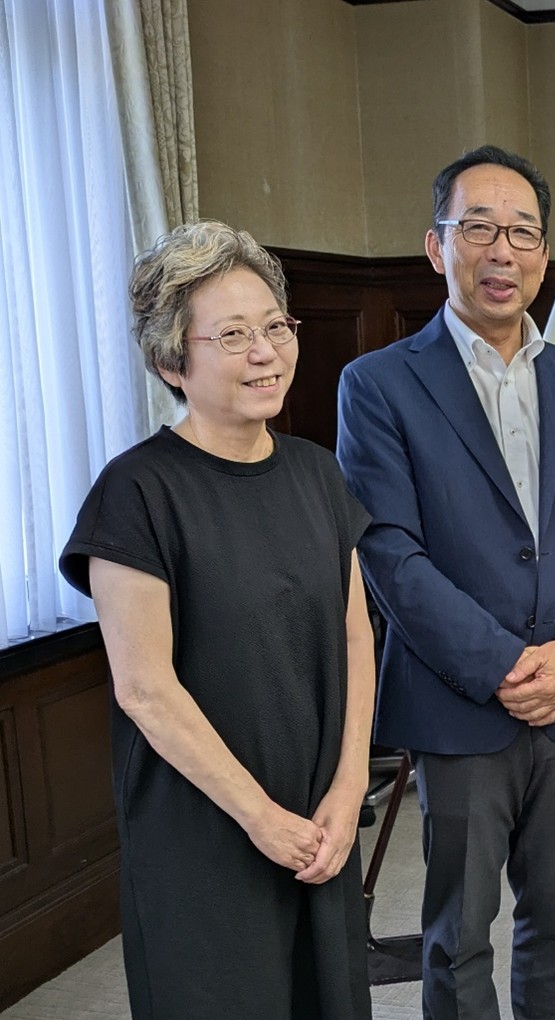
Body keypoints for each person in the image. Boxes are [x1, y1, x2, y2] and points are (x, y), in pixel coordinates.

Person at [336, 144, 555, 1020]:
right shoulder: (379, 384)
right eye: (479, 228)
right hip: (459, 700)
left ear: (545, 254)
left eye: (523, 232)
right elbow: (389, 551)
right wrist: (506, 665)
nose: (502, 252)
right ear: (438, 247)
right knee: (458, 933)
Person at [59, 222, 375, 1019]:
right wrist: (263, 819)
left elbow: (354, 635)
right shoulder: (135, 493)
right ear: (172, 360)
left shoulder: (315, 471)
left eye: (276, 327)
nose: (266, 352)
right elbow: (145, 691)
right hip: (203, 830)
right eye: (232, 335)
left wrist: (347, 788)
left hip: (318, 820)